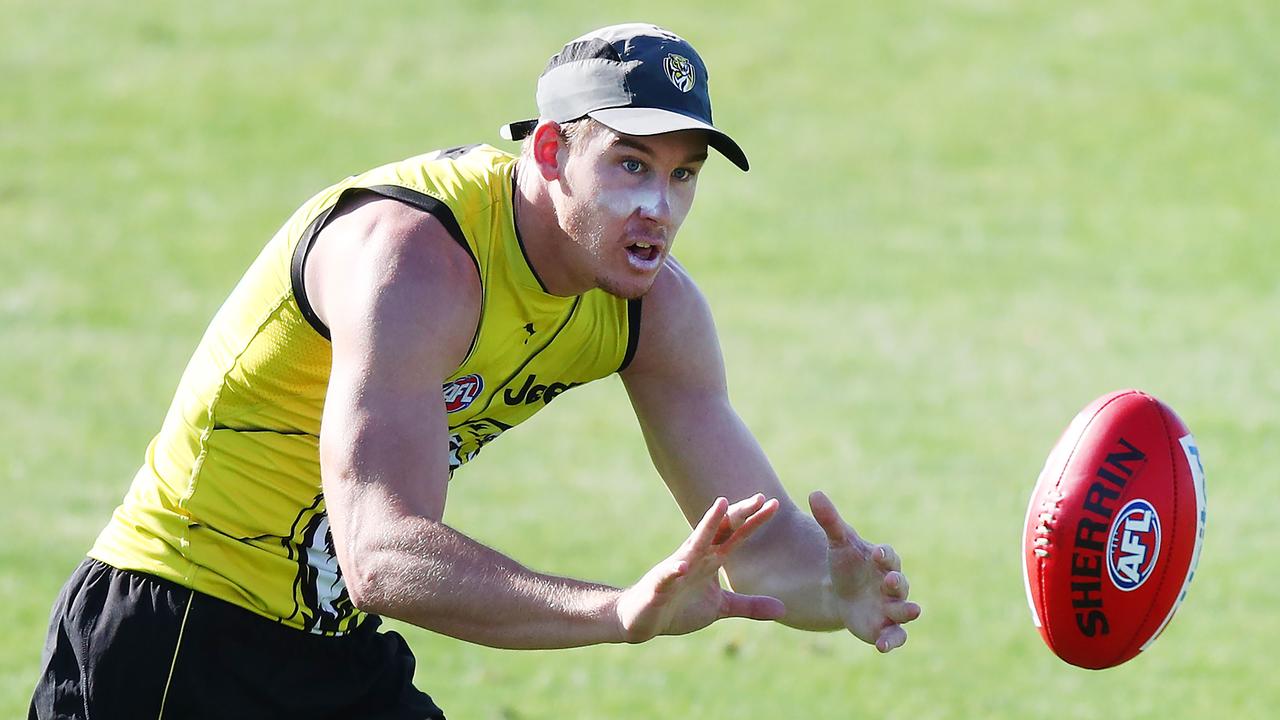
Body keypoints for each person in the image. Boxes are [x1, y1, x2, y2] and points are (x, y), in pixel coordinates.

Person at [30, 22, 920, 719]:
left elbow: (760, 550)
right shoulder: (414, 259)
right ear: (546, 153)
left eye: (683, 176)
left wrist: (830, 588)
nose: (660, 207)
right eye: (629, 165)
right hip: (173, 637)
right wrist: (615, 611)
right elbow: (381, 551)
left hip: (332, 651)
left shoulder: (650, 310)